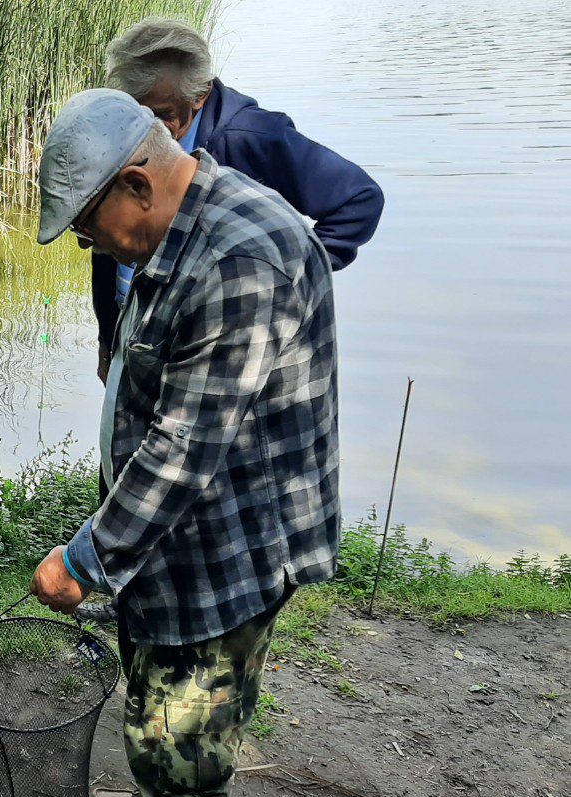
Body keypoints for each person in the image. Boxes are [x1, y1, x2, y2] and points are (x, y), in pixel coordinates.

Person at [30, 89, 339, 797]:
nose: (90, 246)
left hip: (227, 548)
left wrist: (84, 558)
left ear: (136, 182)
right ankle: (161, 795)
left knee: (183, 731)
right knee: (157, 705)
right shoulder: (182, 226)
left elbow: (183, 450)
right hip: (172, 542)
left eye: (90, 228)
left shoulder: (242, 255)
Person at [76, 16, 379, 626]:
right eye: (129, 112)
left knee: (187, 458)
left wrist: (283, 287)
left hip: (225, 340)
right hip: (148, 332)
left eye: (155, 115)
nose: (140, 129)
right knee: (141, 454)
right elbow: (112, 251)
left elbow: (356, 200)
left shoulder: (249, 139)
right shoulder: (132, 153)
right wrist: (114, 338)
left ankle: (151, 583)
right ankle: (132, 579)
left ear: (196, 102)